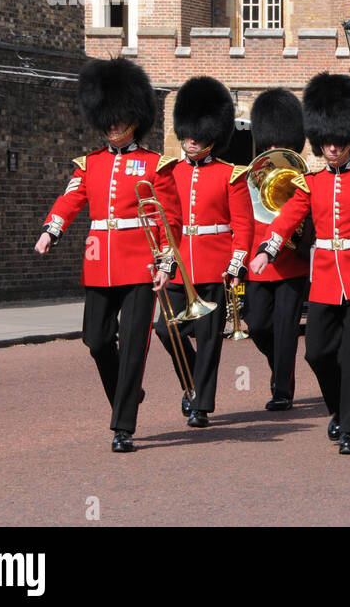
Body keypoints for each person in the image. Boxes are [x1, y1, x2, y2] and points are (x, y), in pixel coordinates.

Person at [35, 58, 181, 453]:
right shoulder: (90, 164)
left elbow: (169, 218)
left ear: (134, 117)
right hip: (100, 262)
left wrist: (166, 262)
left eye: (120, 118)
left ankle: (123, 426)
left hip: (140, 264)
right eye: (109, 119)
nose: (114, 125)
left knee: (134, 344)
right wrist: (52, 229)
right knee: (97, 341)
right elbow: (71, 199)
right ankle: (126, 393)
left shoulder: (155, 165)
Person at [249, 73, 350, 455]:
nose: (331, 148)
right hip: (327, 279)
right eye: (326, 142)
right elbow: (287, 218)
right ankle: (337, 409)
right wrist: (268, 248)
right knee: (316, 352)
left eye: (338, 141)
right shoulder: (310, 184)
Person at [155, 76, 255, 428]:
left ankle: (201, 405)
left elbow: (243, 226)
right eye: (187, 135)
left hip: (214, 266)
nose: (191, 141)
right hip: (178, 266)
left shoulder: (232, 175)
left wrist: (236, 263)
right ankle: (192, 383)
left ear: (212, 136)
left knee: (210, 339)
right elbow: (165, 221)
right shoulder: (169, 173)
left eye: (197, 136)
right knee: (166, 331)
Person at [244, 88, 311, 411]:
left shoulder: (300, 175)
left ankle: (282, 389)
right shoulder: (250, 176)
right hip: (259, 262)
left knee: (286, 328)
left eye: (279, 144)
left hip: (292, 264)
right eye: (268, 144)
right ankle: (279, 364)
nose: (272, 151)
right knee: (257, 325)